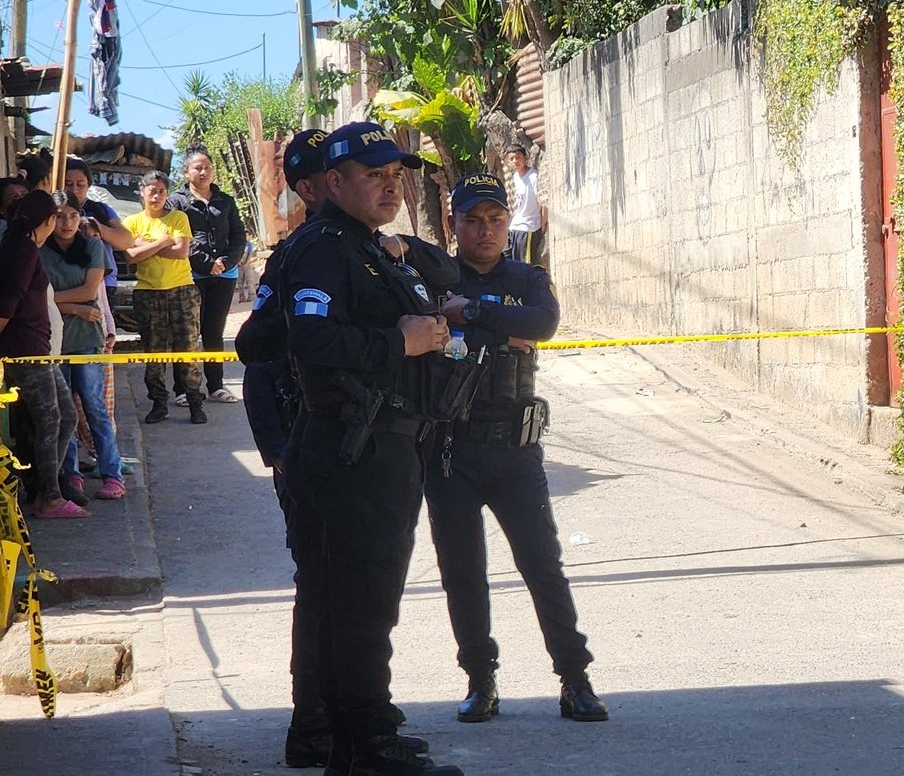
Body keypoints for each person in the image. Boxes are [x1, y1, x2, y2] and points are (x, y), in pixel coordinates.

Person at [282, 121, 464, 776]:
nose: (390, 186)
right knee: (359, 601)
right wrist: (399, 342)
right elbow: (309, 339)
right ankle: (366, 743)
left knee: (365, 599)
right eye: (373, 175)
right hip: (354, 446)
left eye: (395, 175)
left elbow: (443, 277)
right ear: (333, 182)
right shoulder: (324, 248)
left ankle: (359, 738)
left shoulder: (369, 246)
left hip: (389, 443)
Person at [428, 174, 606, 725]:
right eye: (472, 220)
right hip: (450, 450)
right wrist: (503, 331)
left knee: (542, 565)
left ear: (508, 224)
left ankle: (574, 679)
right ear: (453, 223)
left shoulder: (527, 277)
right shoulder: (435, 277)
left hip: (514, 448)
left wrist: (471, 314)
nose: (485, 230)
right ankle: (480, 680)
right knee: (463, 572)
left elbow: (543, 324)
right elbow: (428, 330)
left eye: (496, 220)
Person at [0, 190, 88, 519]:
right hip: (24, 349)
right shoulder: (23, 249)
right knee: (49, 419)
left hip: (37, 348)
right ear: (45, 221)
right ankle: (49, 496)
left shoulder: (20, 246)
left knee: (65, 417)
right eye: (54, 219)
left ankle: (44, 485)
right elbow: (9, 301)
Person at [40, 201, 125, 501]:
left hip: (88, 339)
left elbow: (90, 291)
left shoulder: (92, 246)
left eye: (73, 216)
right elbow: (37, 300)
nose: (67, 223)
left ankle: (112, 474)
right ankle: (71, 473)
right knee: (63, 413)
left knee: (95, 408)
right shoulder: (40, 251)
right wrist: (76, 307)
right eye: (60, 216)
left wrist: (55, 301)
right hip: (54, 343)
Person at [123, 172, 207, 425]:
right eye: (152, 190)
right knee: (154, 351)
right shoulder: (131, 222)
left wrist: (146, 245)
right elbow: (131, 256)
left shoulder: (178, 217)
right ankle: (159, 402)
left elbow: (181, 252)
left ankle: (194, 401)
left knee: (188, 348)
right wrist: (162, 242)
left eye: (161, 191)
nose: (157, 196)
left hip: (182, 290)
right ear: (142, 192)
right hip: (148, 293)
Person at [171, 146, 248, 403]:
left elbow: (238, 235)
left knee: (214, 332)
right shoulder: (177, 202)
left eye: (207, 167)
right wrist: (205, 263)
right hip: (190, 276)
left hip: (224, 275)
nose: (203, 172)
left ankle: (216, 386)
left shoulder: (225, 201)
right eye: (197, 168)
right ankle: (183, 389)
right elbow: (179, 236)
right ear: (186, 172)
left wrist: (226, 261)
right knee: (187, 334)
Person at [63, 156, 135, 316]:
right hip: (66, 281)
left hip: (104, 283)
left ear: (88, 185)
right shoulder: (55, 210)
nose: (74, 189)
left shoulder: (101, 210)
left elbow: (127, 241)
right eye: (68, 184)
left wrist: (97, 227)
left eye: (80, 184)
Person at [503, 145, 543, 263]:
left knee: (526, 264)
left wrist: (543, 223)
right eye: (512, 159)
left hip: (528, 227)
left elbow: (544, 201)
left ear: (525, 158)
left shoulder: (533, 177)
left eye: (518, 157)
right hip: (514, 227)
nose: (515, 161)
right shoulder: (513, 178)